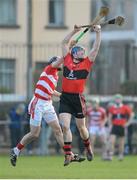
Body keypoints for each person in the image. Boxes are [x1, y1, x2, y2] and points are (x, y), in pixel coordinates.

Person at [10, 56, 83, 167]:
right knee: (35, 134)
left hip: (47, 104)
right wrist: (69, 50)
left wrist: (62, 95)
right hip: (38, 103)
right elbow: (62, 59)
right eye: (57, 60)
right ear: (53, 63)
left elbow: (50, 90)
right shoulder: (49, 68)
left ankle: (69, 155)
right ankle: (16, 150)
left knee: (58, 130)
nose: (60, 62)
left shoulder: (55, 75)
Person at [59, 24, 101, 166]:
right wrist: (74, 31)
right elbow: (64, 43)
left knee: (81, 128)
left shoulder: (86, 63)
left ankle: (88, 147)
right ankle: (68, 154)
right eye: (80, 51)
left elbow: (95, 49)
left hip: (78, 98)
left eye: (84, 51)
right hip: (65, 97)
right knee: (64, 126)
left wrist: (98, 33)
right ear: (74, 53)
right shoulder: (67, 60)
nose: (83, 53)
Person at [107, 94, 133, 161]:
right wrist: (110, 125)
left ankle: (120, 155)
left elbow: (131, 115)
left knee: (121, 142)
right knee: (112, 141)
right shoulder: (112, 108)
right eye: (116, 99)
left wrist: (127, 123)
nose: (117, 100)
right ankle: (111, 155)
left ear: (121, 100)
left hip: (122, 126)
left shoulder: (125, 107)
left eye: (119, 99)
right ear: (115, 100)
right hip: (115, 126)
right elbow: (109, 117)